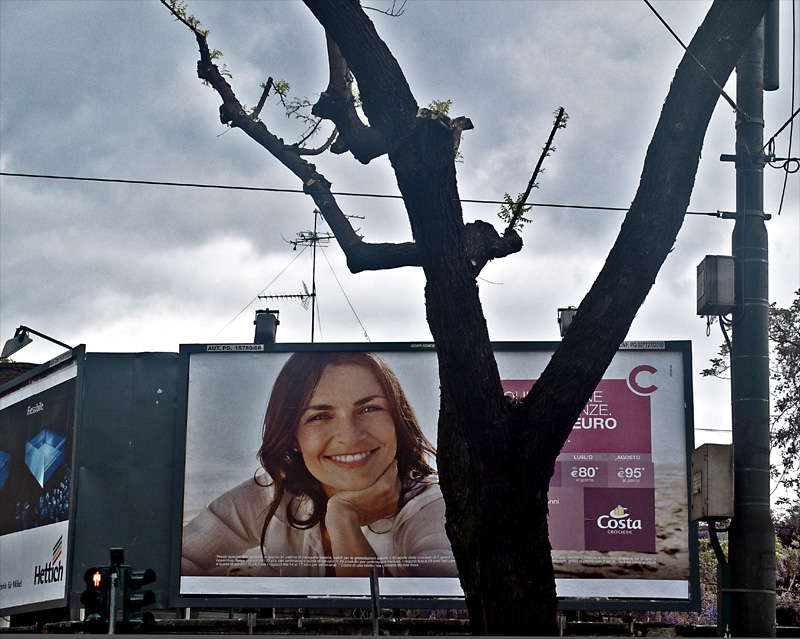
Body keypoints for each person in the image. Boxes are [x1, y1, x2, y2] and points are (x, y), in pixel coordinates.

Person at [181, 351, 457, 578]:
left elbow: (433, 610)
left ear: (397, 420)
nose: (350, 437)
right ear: (293, 438)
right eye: (319, 416)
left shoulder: (431, 506)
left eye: (369, 409)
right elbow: (174, 560)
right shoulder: (273, 493)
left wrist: (343, 519)